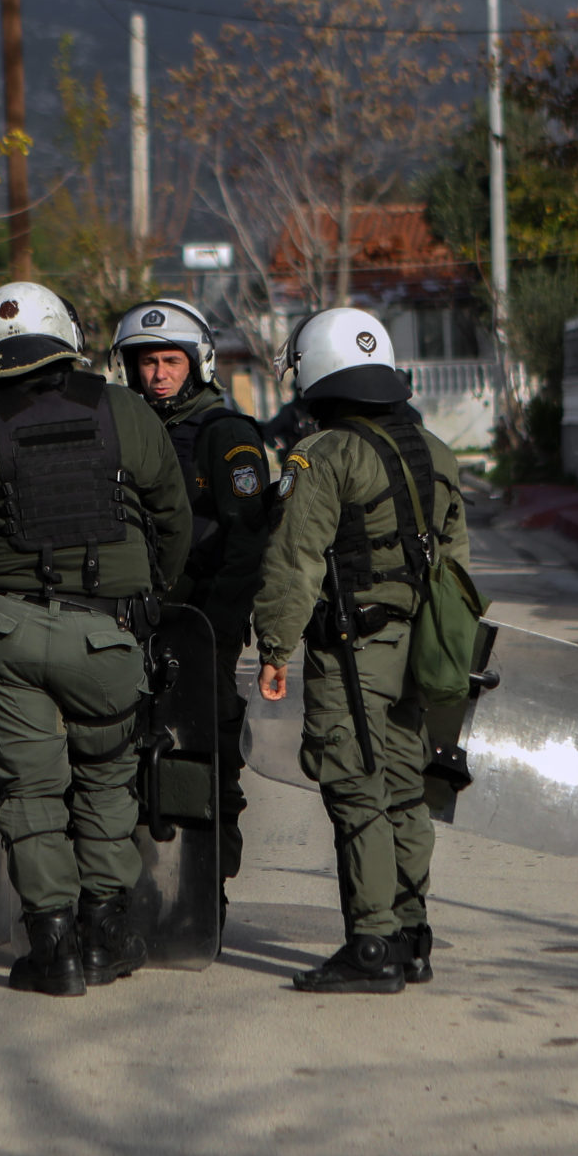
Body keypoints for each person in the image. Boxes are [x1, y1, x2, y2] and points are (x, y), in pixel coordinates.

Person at [0, 281, 191, 996]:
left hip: (3, 631)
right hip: (109, 632)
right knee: (107, 775)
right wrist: (151, 598)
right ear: (65, 337)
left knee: (32, 788)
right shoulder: (129, 414)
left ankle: (53, 948)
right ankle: (107, 932)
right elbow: (172, 514)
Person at [251, 307, 468, 994]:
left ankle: (370, 945)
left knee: (355, 787)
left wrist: (275, 647)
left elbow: (293, 560)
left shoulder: (322, 455)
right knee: (407, 789)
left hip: (354, 650)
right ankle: (411, 936)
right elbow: (457, 563)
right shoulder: (435, 450)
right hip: (423, 651)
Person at [111, 297, 273, 906]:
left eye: (169, 361)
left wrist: (221, 629)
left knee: (205, 753)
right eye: (146, 362)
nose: (157, 374)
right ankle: (133, 884)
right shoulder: (122, 429)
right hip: (131, 621)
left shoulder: (225, 435)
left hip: (200, 625)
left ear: (195, 363)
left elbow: (248, 538)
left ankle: (206, 883)